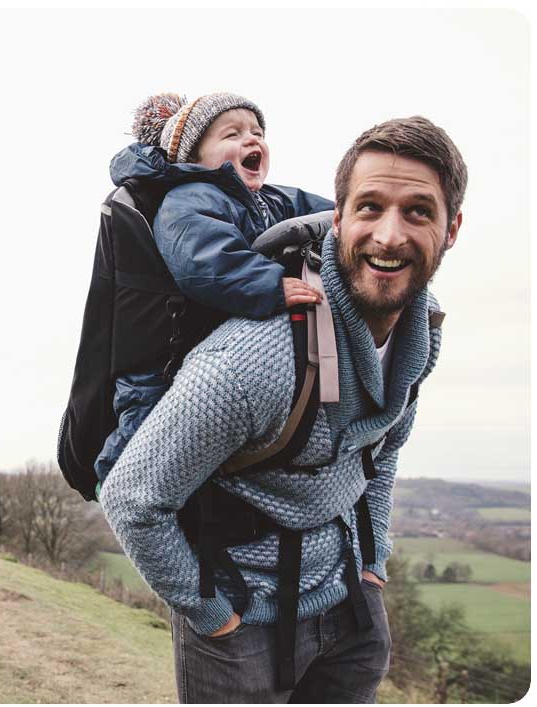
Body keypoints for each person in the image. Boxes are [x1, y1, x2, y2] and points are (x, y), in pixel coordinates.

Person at [100, 115, 466, 703]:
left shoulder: (422, 330)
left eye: (418, 211)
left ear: (452, 229)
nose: (390, 236)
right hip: (239, 615)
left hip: (348, 600)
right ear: (339, 218)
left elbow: (382, 449)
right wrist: (210, 612)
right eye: (369, 207)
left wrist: (372, 565)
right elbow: (132, 498)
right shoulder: (253, 359)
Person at [94, 92, 333, 494]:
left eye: (257, 131)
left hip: (215, 346)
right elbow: (204, 261)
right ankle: (116, 486)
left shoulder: (269, 197)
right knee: (145, 433)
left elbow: (323, 209)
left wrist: (365, 211)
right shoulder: (190, 199)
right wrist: (270, 284)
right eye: (232, 134)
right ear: (195, 156)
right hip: (164, 356)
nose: (251, 140)